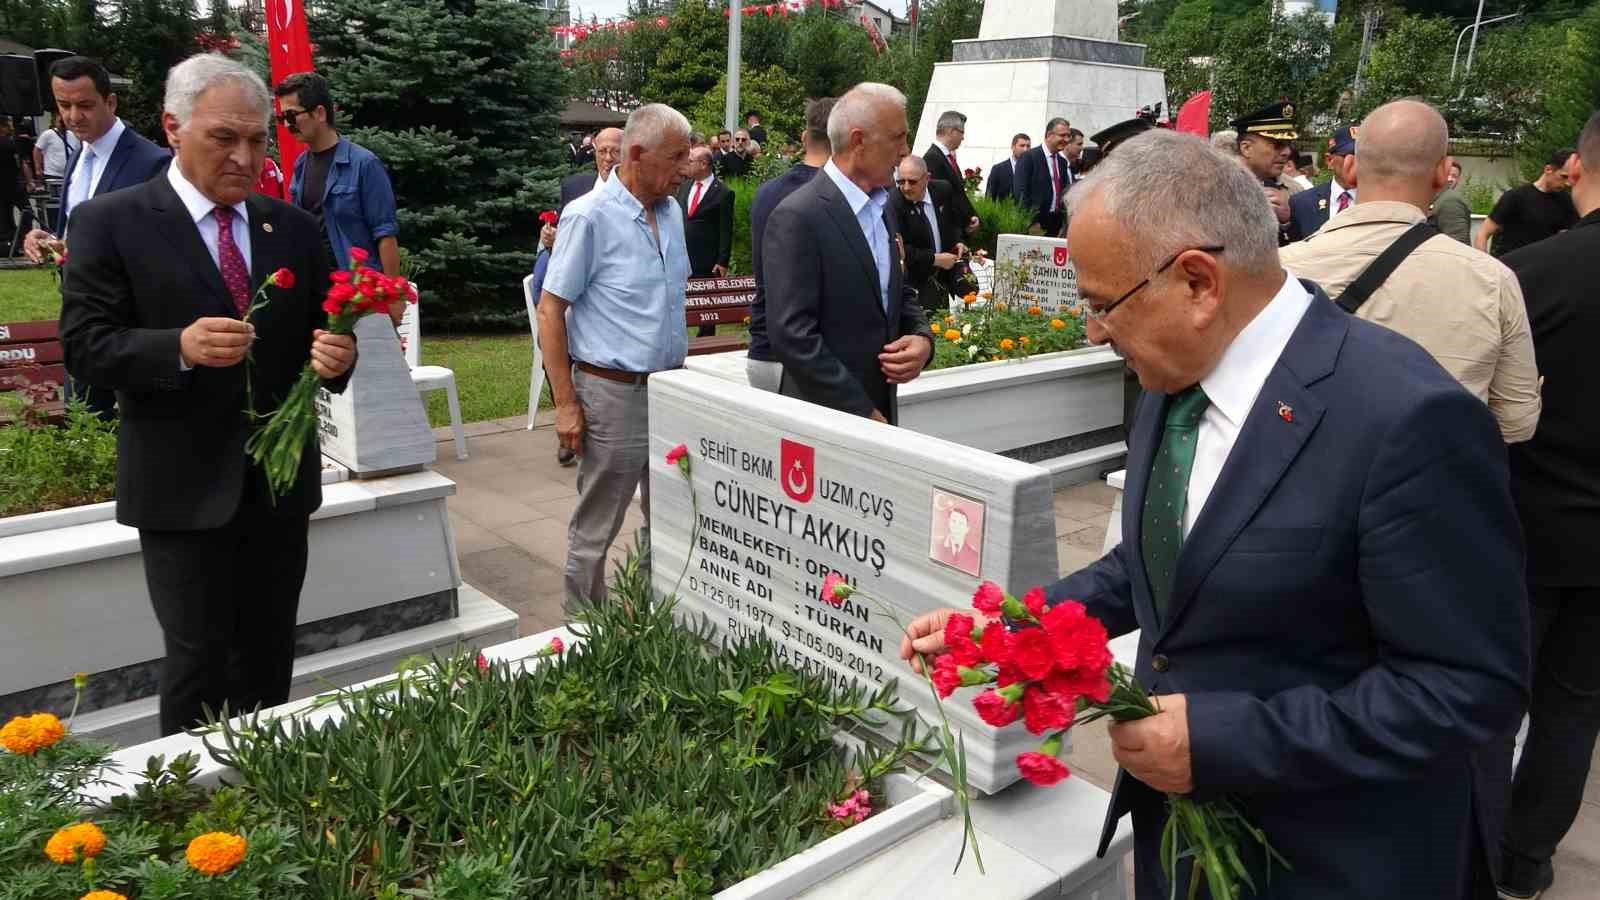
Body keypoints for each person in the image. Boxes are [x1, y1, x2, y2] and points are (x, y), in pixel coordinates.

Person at [900, 128, 1528, 900]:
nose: (1093, 332)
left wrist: (1226, 741)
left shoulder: (1407, 419)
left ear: (1198, 283)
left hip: (1331, 864)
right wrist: (1009, 631)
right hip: (1182, 847)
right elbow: (1160, 560)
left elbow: (1466, 689)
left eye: (1102, 305)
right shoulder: (1175, 380)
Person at [58, 53, 356, 736]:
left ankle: (268, 795)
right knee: (198, 659)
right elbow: (85, 349)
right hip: (180, 488)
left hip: (278, 490)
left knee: (269, 650)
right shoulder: (111, 223)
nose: (246, 157)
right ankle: (196, 813)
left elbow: (326, 344)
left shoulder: (293, 229)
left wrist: (337, 356)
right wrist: (176, 348)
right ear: (173, 127)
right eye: (225, 138)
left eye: (258, 139)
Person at [1281, 99, 1539, 446]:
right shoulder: (1493, 280)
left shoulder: (1279, 269)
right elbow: (1516, 423)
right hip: (1436, 485)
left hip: (1308, 487)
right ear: (1442, 172)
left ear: (1353, 167)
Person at [1492, 111, 1600, 900]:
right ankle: (1525, 860)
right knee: (1574, 709)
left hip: (1529, 524)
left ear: (1580, 163)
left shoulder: (1536, 273)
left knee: (1497, 693)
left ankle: (1469, 835)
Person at [538, 103, 691, 610]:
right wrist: (565, 403)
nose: (685, 168)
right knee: (599, 522)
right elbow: (550, 311)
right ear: (638, 154)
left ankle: (653, 613)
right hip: (612, 395)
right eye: (676, 157)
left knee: (670, 513)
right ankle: (583, 629)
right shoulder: (588, 217)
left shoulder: (671, 213)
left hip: (670, 391)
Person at [765, 83, 933, 425]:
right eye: (898, 137)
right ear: (858, 141)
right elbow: (792, 335)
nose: (905, 151)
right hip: (823, 422)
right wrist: (861, 412)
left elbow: (895, 292)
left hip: (878, 410)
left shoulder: (883, 207)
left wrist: (923, 340)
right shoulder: (799, 215)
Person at [26, 55, 171, 419]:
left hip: (128, 327)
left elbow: (162, 249)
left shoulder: (151, 162)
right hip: (81, 318)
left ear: (111, 102)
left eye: (85, 105)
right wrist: (51, 239)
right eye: (64, 105)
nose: (74, 116)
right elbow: (81, 230)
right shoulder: (80, 157)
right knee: (84, 425)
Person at [274, 71, 402, 315]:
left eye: (291, 115)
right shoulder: (301, 165)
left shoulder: (364, 164)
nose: (287, 125)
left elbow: (385, 234)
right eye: (282, 117)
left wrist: (393, 297)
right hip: (317, 294)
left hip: (360, 295)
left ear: (320, 113)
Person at [747, 97, 833, 394]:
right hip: (811, 361)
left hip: (763, 349)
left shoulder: (766, 192)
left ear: (804, 137)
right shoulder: (838, 197)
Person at [892, 154, 965, 314]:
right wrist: (934, 259)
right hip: (915, 283)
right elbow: (900, 250)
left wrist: (957, 241)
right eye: (900, 181)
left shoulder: (942, 190)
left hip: (944, 279)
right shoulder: (894, 202)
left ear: (927, 178)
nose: (905, 187)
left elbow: (952, 223)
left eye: (912, 181)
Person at [1477, 148, 1577, 257]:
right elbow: (1482, 234)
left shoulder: (1566, 202)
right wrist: (1485, 265)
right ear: (1548, 169)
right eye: (1563, 176)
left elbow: (1568, 239)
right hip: (1511, 267)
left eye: (1571, 178)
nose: (1567, 183)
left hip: (1544, 268)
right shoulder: (1515, 197)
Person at [678, 145, 735, 336]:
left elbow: (726, 229)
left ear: (703, 164)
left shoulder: (723, 192)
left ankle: (706, 341)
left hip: (706, 261)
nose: (687, 164)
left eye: (691, 161)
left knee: (706, 308)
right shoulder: (685, 187)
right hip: (682, 257)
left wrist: (722, 260)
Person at [1231, 101, 1302, 245]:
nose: (1287, 152)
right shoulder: (1212, 187)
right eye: (1277, 144)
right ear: (1246, 148)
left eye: (1288, 145)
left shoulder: (1279, 190)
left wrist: (1286, 222)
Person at [1287, 125, 1357, 242]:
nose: (1359, 162)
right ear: (1330, 161)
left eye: (1366, 156)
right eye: (1349, 155)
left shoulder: (1384, 202)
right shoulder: (1301, 203)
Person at [922, 110, 978, 238]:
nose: (963, 137)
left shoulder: (946, 157)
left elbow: (959, 193)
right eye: (962, 132)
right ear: (952, 131)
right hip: (948, 236)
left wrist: (972, 217)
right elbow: (944, 202)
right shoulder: (933, 158)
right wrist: (965, 222)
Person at [1013, 117, 1073, 235]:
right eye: (1062, 135)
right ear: (1049, 135)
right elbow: (1020, 193)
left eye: (1068, 136)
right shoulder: (1029, 157)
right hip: (1035, 224)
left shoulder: (1062, 162)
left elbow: (1063, 192)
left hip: (1055, 224)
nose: (1066, 140)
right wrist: (1031, 222)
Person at [560, 126, 622, 212]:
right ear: (595, 153)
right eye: (602, 151)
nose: (608, 158)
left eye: (616, 151)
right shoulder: (572, 186)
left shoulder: (641, 192)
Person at [1430, 158, 1473, 245]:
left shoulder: (1450, 201)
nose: (1450, 179)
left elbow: (1457, 243)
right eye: (1448, 174)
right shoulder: (1438, 198)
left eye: (1454, 176)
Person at [985, 132, 1030, 201]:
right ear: (1012, 147)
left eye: (1028, 146)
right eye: (1022, 145)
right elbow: (989, 197)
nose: (1025, 149)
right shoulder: (998, 169)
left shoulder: (1034, 168)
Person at [33, 117, 80, 182]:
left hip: (71, 173)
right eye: (60, 122)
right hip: (53, 174)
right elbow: (37, 150)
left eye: (64, 122)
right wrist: (38, 168)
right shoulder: (48, 134)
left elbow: (78, 152)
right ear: (55, 122)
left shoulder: (73, 135)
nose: (62, 124)